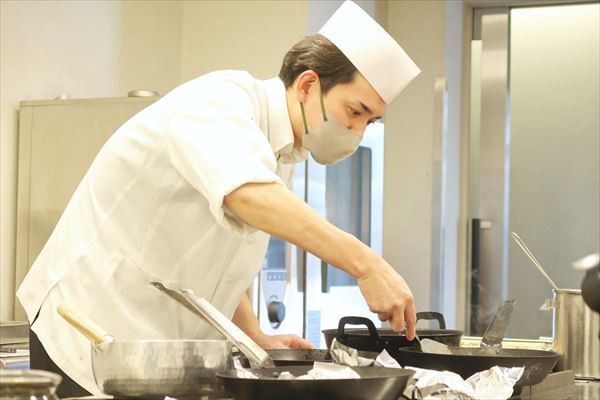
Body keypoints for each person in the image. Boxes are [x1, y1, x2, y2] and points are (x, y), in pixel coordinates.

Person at [17, 1, 421, 396]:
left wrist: (253, 333)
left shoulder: (281, 153)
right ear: (307, 85)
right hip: (86, 332)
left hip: (150, 354)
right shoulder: (220, 101)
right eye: (355, 112)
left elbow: (225, 259)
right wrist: (366, 264)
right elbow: (245, 196)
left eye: (370, 122)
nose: (357, 132)